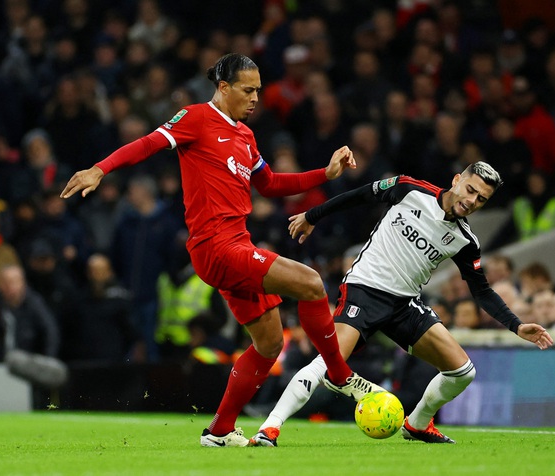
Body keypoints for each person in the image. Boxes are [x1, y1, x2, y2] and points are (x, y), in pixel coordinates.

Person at [59, 53, 382, 447]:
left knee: (269, 344)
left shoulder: (246, 135)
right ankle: (339, 373)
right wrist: (100, 168)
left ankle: (220, 429)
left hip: (237, 245)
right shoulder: (195, 117)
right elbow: (147, 144)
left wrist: (325, 174)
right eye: (248, 90)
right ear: (223, 87)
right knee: (311, 282)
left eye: (259, 91)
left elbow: (271, 184)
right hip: (215, 246)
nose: (255, 98)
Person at [249, 162, 554, 447]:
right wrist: (311, 216)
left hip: (404, 304)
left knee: (463, 372)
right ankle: (270, 427)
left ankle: (418, 424)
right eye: (471, 190)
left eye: (482, 199)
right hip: (365, 290)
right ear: (457, 180)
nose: (472, 201)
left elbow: (482, 291)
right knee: (327, 363)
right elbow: (360, 195)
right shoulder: (410, 190)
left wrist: (516, 325)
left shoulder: (465, 240)